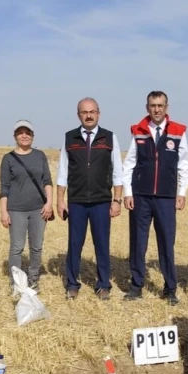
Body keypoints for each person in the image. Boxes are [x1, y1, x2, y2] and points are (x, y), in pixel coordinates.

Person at [122, 91, 188, 305]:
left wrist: (181, 193)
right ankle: (136, 286)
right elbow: (129, 164)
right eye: (153, 105)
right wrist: (127, 193)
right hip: (141, 197)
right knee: (138, 243)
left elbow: (184, 165)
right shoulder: (139, 131)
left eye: (161, 105)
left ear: (167, 107)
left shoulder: (178, 132)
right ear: (147, 107)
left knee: (166, 243)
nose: (157, 109)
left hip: (166, 198)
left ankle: (170, 289)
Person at [56, 97, 123, 300]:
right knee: (75, 244)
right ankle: (72, 284)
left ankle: (103, 285)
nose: (89, 115)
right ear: (78, 115)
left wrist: (117, 200)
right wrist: (60, 200)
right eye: (84, 112)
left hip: (102, 201)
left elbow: (118, 172)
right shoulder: (70, 138)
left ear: (98, 113)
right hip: (76, 201)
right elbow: (62, 171)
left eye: (92, 111)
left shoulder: (109, 138)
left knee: (102, 244)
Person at [0, 119, 53, 293]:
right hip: (16, 209)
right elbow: (4, 187)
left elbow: (47, 181)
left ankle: (33, 278)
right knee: (17, 247)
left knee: (36, 246)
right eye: (20, 133)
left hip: (39, 209)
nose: (24, 136)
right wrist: (3, 212)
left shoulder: (40, 156)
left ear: (32, 136)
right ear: (15, 136)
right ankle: (16, 282)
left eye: (27, 132)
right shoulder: (8, 159)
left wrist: (49, 203)